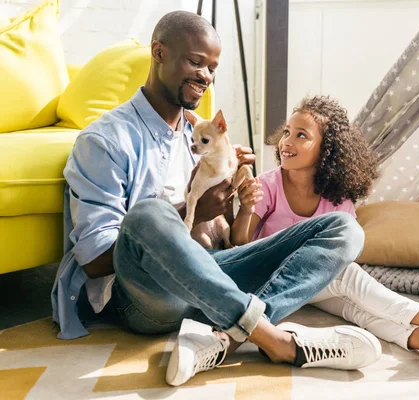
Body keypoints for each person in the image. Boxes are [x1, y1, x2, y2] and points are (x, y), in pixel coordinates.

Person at [51, 11, 383, 387]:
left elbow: (227, 239)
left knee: (344, 228)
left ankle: (226, 336)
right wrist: (189, 213)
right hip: (149, 297)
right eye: (196, 62)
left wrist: (233, 205)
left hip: (214, 283)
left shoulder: (202, 137)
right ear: (159, 53)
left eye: (212, 68)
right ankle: (271, 338)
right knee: (149, 216)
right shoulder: (105, 141)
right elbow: (94, 261)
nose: (206, 77)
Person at [231, 95, 419, 373]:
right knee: (346, 277)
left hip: (315, 283)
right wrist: (245, 209)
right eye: (287, 132)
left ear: (327, 149)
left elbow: (345, 251)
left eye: (301, 135)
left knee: (354, 308)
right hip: (276, 278)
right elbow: (238, 245)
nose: (287, 142)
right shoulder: (267, 185)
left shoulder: (337, 198)